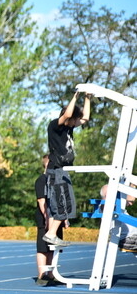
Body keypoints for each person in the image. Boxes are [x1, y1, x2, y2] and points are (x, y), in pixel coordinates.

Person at [43, 91, 91, 248]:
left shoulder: (70, 128)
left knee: (67, 204)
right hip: (56, 169)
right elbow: (68, 113)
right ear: (68, 118)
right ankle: (50, 234)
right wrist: (76, 96)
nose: (76, 122)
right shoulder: (55, 126)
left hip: (63, 171)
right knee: (63, 203)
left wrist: (88, 98)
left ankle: (51, 233)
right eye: (74, 119)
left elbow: (85, 118)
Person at [34, 154, 64, 286]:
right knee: (43, 247)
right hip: (45, 218)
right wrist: (46, 217)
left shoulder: (57, 181)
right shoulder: (42, 180)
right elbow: (41, 200)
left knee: (53, 247)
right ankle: (42, 274)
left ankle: (52, 274)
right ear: (47, 164)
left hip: (56, 218)